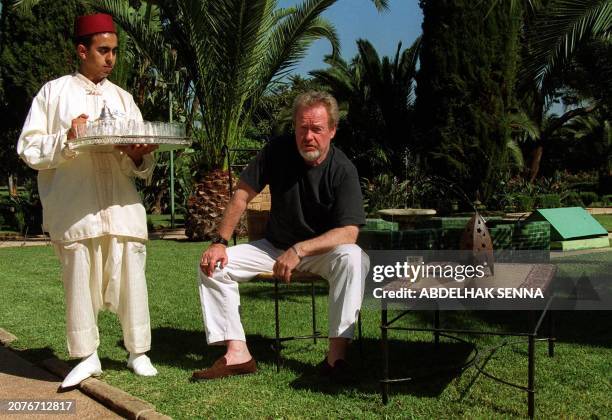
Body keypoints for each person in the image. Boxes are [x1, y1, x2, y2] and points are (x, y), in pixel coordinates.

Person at [17, 13, 158, 389]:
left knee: (131, 274)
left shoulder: (123, 98)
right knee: (79, 278)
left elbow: (141, 166)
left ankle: (138, 352)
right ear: (82, 51)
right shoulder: (54, 93)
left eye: (115, 51)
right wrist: (68, 137)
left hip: (122, 206)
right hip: (75, 207)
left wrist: (140, 154)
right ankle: (86, 355)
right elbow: (29, 148)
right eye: (103, 50)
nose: (111, 58)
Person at [193, 91, 370, 381]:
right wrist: (219, 242)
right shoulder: (277, 150)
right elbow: (241, 196)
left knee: (353, 258)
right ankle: (238, 354)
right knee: (213, 265)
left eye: (317, 129)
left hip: (319, 253)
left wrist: (300, 250)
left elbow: (349, 232)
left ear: (333, 131)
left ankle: (336, 359)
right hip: (273, 248)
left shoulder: (343, 169)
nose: (308, 136)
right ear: (294, 127)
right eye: (302, 127)